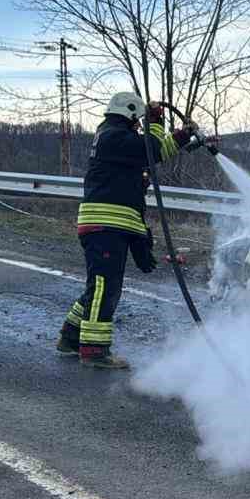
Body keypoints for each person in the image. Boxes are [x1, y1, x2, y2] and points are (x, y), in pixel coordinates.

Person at [55, 93, 217, 370]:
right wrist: (155, 122)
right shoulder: (112, 136)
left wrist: (181, 136)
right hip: (104, 226)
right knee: (105, 287)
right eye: (139, 121)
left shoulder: (116, 139)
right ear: (130, 113)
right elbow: (150, 149)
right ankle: (94, 350)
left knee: (98, 286)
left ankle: (70, 338)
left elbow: (156, 152)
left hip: (111, 227)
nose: (139, 126)